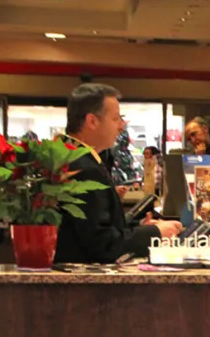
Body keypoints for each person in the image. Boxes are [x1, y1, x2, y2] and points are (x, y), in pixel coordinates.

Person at [55, 83, 182, 264]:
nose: (121, 126)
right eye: (115, 119)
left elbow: (92, 227)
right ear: (92, 121)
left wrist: (138, 227)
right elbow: (102, 244)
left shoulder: (70, 156)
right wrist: (156, 232)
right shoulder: (83, 167)